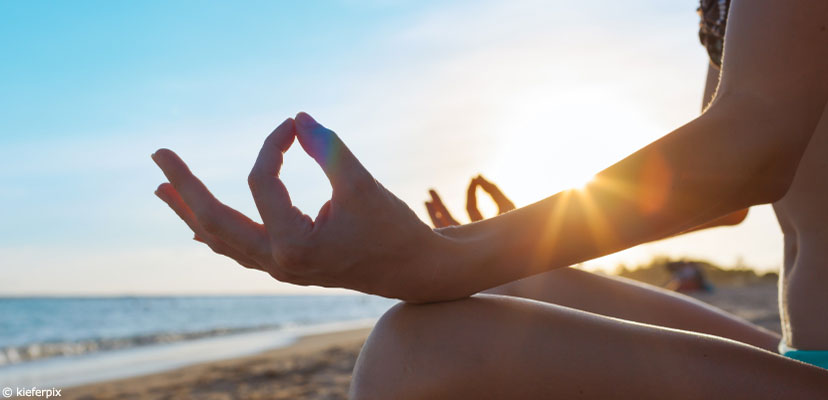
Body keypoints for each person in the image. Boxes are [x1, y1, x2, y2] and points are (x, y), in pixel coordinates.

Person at [151, 0, 828, 397]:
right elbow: (727, 190)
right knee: (530, 281)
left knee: (412, 353)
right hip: (804, 349)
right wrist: (503, 236)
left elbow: (756, 149)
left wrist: (439, 258)